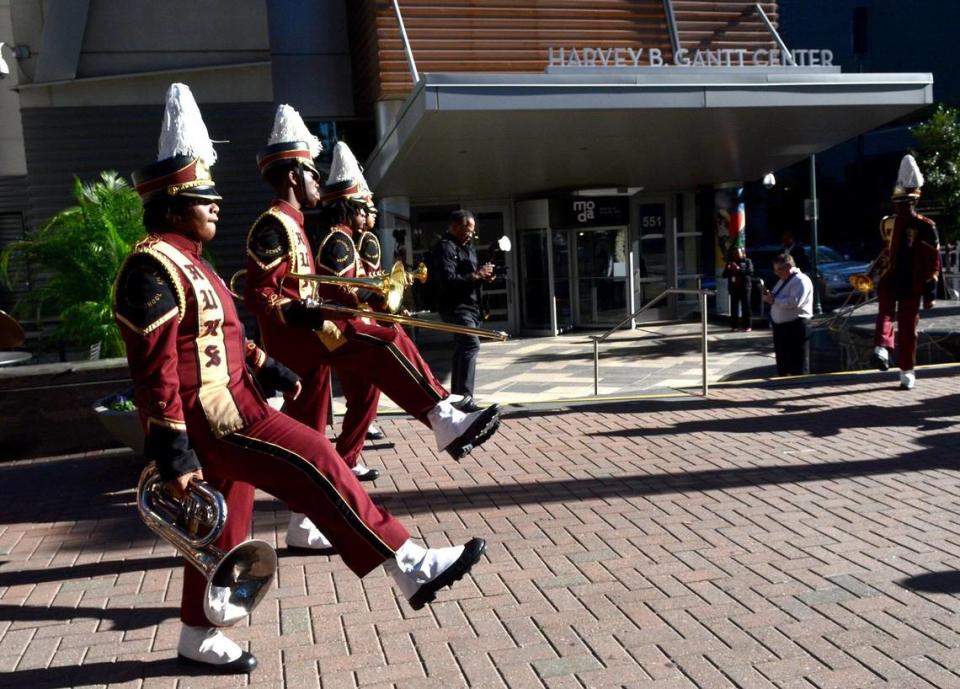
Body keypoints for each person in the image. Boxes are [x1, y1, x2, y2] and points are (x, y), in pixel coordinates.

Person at [119, 84, 487, 673]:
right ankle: (408, 561)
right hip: (215, 415)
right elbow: (153, 367)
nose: (215, 202)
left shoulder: (191, 262)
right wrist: (173, 450)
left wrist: (270, 364)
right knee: (318, 456)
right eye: (201, 194)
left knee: (223, 528)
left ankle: (198, 634)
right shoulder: (149, 265)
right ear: (170, 202)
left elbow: (224, 335)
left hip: (232, 400)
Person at [869, 154, 940, 390]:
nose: (900, 207)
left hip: (913, 281)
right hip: (891, 277)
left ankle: (907, 371)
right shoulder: (887, 223)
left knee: (909, 328)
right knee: (885, 314)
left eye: (905, 203)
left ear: (914, 202)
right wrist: (873, 272)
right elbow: (886, 251)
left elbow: (934, 261)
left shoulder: (926, 227)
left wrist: (930, 289)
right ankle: (881, 348)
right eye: (897, 203)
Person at [434, 210, 494, 409]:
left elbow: (471, 276)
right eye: (466, 230)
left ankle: (458, 399)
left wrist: (485, 276)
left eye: (472, 231)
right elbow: (448, 281)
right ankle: (466, 399)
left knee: (462, 349)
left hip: (473, 306)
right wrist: (476, 275)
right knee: (470, 344)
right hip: (456, 308)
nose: (470, 234)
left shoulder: (468, 248)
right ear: (454, 227)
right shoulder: (445, 247)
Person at [762, 253, 813, 375]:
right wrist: (768, 296)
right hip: (781, 328)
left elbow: (795, 302)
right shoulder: (783, 280)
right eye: (775, 270)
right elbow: (776, 297)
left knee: (798, 363)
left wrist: (774, 300)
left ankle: (799, 386)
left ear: (789, 266)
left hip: (796, 326)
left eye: (779, 269)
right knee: (783, 364)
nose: (777, 273)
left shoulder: (800, 280)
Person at [722, 246, 753, 332]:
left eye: (738, 253)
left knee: (746, 307)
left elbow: (750, 272)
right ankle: (734, 326)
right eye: (734, 253)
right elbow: (724, 275)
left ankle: (747, 326)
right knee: (734, 308)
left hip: (745, 287)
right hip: (734, 288)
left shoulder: (747, 261)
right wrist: (728, 270)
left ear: (742, 253)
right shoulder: (730, 263)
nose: (736, 255)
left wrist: (739, 269)